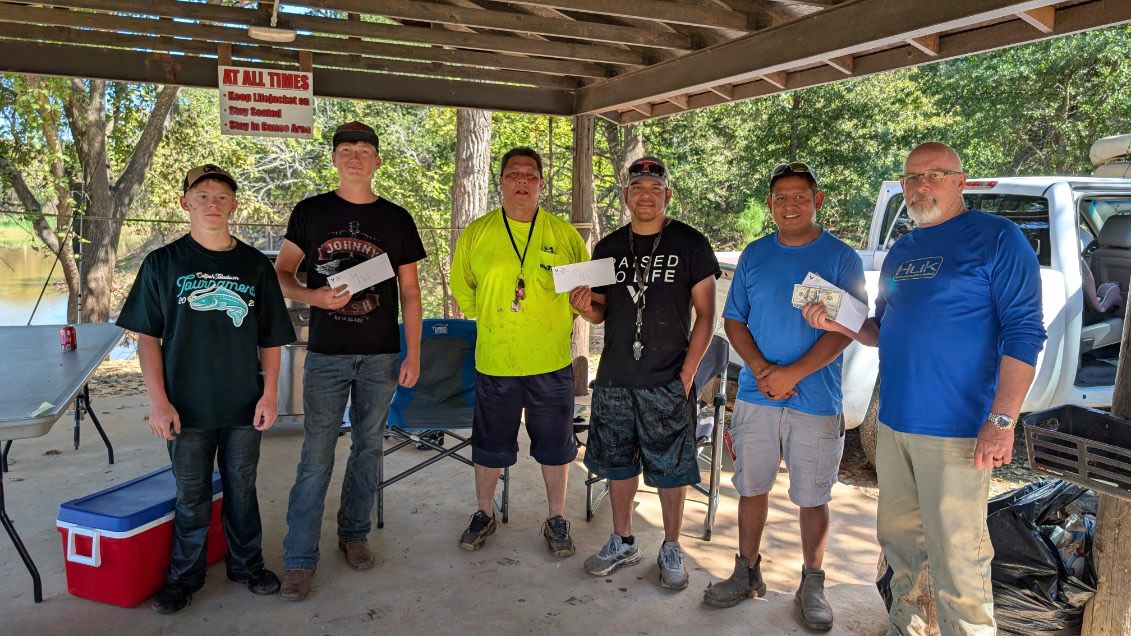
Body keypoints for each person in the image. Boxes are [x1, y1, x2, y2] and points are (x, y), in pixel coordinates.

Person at [803, 142, 1047, 634]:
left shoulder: (998, 238)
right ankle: (907, 627)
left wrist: (1002, 420)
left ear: (961, 181)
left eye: (933, 175)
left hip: (958, 429)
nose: (920, 186)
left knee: (958, 554)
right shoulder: (905, 248)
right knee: (901, 546)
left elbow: (1025, 332)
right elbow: (879, 329)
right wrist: (838, 323)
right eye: (911, 177)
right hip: (894, 423)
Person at [117, 164, 296, 614]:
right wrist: (158, 402)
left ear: (234, 205)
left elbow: (271, 339)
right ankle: (184, 577)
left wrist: (270, 394)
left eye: (221, 196)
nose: (211, 203)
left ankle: (247, 565)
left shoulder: (255, 265)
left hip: (242, 404)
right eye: (201, 195)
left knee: (242, 489)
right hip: (185, 407)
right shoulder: (162, 263)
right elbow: (147, 339)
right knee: (191, 496)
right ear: (185, 203)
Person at [702, 162, 865, 631]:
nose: (789, 205)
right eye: (780, 198)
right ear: (770, 205)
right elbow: (734, 320)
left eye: (799, 196)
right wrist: (761, 371)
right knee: (751, 487)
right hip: (757, 395)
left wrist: (793, 373)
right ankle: (746, 571)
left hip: (815, 399)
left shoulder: (840, 258)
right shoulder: (755, 255)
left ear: (818, 200)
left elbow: (849, 328)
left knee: (813, 495)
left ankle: (812, 583)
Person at [275, 121, 426, 601]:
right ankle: (299, 559)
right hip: (327, 355)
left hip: (381, 355)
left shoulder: (398, 219)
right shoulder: (311, 212)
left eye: (365, 149)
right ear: (335, 158)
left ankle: (354, 534)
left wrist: (413, 351)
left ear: (378, 161)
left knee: (368, 450)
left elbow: (410, 290)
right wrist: (311, 296)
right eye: (346, 149)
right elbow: (280, 273)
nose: (356, 156)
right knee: (316, 456)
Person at [571, 157, 719, 590]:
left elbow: (707, 315)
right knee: (617, 463)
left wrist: (688, 374)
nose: (646, 195)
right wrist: (580, 306)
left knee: (672, 467)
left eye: (655, 188)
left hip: (668, 378)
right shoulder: (609, 247)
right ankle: (622, 540)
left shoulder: (691, 243)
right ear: (627, 196)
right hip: (615, 376)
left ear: (667, 194)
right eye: (638, 188)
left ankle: (672, 546)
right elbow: (597, 312)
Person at [450, 147, 588, 557]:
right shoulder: (477, 232)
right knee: (489, 444)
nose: (522, 181)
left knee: (556, 445)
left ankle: (557, 517)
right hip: (496, 360)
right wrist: (496, 320)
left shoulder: (564, 235)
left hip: (550, 362)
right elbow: (464, 290)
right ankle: (482, 513)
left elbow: (583, 294)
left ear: (541, 184)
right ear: (502, 182)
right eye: (514, 174)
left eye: (530, 175)